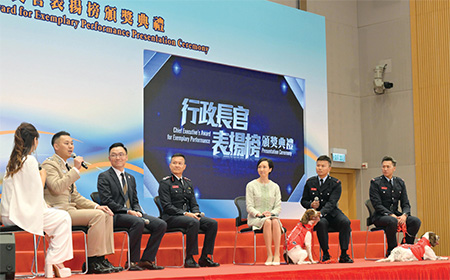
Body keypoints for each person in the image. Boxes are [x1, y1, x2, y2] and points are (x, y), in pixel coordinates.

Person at [1, 122, 73, 278]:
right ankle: (54, 260)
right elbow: (36, 190)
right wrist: (43, 176)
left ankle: (54, 261)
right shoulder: (29, 161)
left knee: (56, 218)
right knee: (64, 218)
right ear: (34, 141)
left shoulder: (13, 162)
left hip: (8, 215)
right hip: (20, 215)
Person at [43, 131, 120, 274]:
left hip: (71, 210)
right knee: (97, 216)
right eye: (66, 143)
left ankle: (101, 258)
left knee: (105, 213)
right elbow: (57, 187)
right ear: (56, 146)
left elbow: (76, 197)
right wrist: (75, 169)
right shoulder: (49, 164)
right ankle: (91, 261)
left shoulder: (66, 167)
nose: (71, 146)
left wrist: (97, 205)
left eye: (72, 143)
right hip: (58, 211)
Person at [97, 142, 166, 271]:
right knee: (138, 222)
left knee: (160, 224)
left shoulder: (131, 178)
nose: (118, 158)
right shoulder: (104, 176)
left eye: (121, 154)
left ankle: (146, 260)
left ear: (126, 157)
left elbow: (134, 200)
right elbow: (107, 201)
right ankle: (132, 262)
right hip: (114, 215)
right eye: (114, 155)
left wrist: (137, 211)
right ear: (109, 158)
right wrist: (128, 211)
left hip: (132, 214)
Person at [158, 153, 219, 268]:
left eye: (180, 163)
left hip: (187, 217)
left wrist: (196, 212)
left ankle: (205, 257)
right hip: (171, 218)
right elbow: (167, 206)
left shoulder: (188, 182)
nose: (177, 166)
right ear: (170, 165)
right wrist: (185, 214)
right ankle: (190, 258)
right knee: (193, 222)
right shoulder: (165, 183)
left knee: (212, 223)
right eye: (174, 163)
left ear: (184, 166)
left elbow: (193, 204)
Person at [301, 155, 353, 263]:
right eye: (318, 165)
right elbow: (303, 201)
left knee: (345, 222)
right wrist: (311, 204)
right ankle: (325, 253)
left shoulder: (336, 183)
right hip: (316, 215)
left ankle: (344, 253)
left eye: (323, 166)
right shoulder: (310, 182)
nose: (319, 168)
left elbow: (332, 202)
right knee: (321, 223)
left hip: (332, 212)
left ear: (329, 168)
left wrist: (321, 212)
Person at [369, 156, 421, 257]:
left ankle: (405, 248)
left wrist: (404, 215)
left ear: (394, 168)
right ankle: (392, 250)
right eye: (383, 167)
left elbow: (405, 203)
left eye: (388, 167)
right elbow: (376, 204)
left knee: (415, 221)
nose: (385, 169)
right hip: (380, 216)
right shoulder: (376, 182)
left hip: (395, 214)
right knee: (392, 221)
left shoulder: (399, 182)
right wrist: (390, 214)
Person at [246, 158, 283, 266]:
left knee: (274, 221)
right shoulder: (251, 185)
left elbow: (278, 207)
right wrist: (259, 214)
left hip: (271, 217)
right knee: (267, 222)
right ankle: (269, 254)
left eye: (264, 167)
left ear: (270, 169)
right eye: (259, 167)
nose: (261, 169)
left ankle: (277, 254)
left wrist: (271, 214)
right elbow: (249, 206)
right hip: (255, 218)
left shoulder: (275, 186)